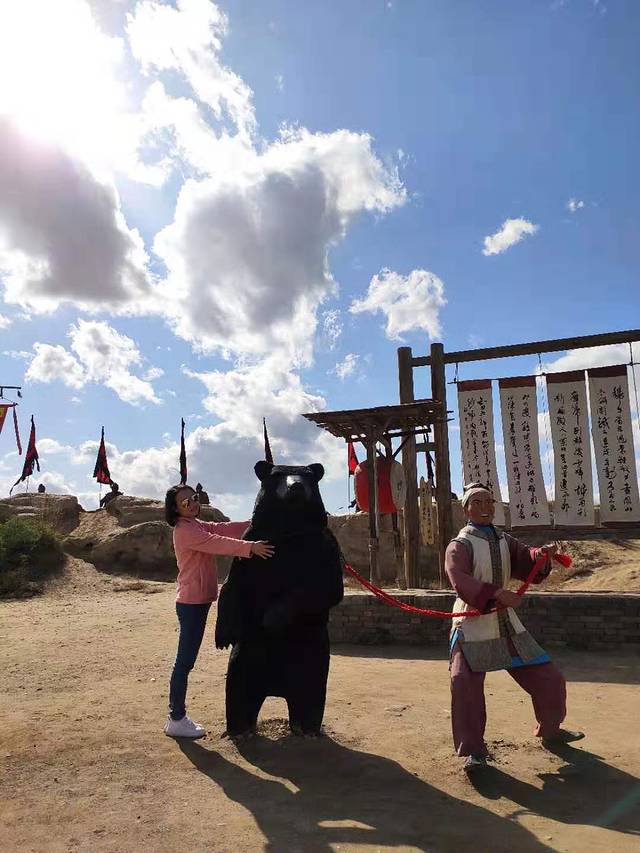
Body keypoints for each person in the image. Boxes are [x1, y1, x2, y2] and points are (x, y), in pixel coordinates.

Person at [446, 482, 583, 773]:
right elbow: (459, 578)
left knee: (549, 678)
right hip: (471, 621)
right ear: (466, 509)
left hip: (505, 621)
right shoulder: (460, 545)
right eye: (477, 502)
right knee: (463, 683)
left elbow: (525, 558)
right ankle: (474, 751)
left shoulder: (504, 540)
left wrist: (540, 556)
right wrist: (496, 593)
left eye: (489, 502)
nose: (485, 507)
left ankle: (551, 729)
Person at [163, 483, 275, 739]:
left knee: (185, 660)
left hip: (197, 601)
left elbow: (222, 529)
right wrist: (250, 547)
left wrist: (255, 521)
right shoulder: (185, 530)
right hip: (191, 604)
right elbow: (216, 542)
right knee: (184, 661)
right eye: (185, 502)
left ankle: (176, 717)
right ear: (175, 509)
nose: (192, 503)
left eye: (194, 498)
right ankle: (176, 718)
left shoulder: (196, 524)